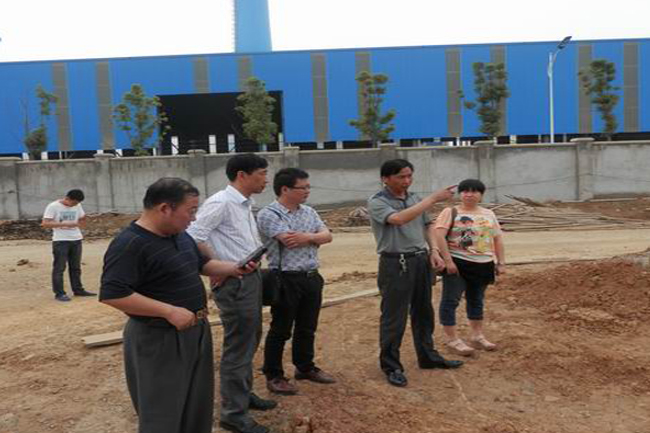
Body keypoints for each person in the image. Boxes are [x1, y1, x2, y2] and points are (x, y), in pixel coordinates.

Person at [99, 177, 254, 433]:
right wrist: (168, 311)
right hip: (159, 337)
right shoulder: (130, 244)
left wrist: (234, 268)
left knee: (196, 405)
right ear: (165, 208)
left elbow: (201, 265)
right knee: (163, 411)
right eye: (190, 211)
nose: (194, 218)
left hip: (196, 330)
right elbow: (113, 294)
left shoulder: (180, 236)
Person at [187, 153, 275, 433]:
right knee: (239, 346)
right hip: (234, 283)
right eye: (262, 173)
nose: (266, 179)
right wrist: (218, 267)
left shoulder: (244, 203)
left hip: (249, 278)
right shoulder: (221, 202)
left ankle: (243, 395)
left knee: (250, 339)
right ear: (242, 175)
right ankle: (233, 414)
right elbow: (193, 236)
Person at [367, 159, 463, 388]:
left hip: (420, 260)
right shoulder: (377, 201)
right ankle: (391, 365)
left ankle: (427, 356)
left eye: (409, 175)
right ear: (385, 178)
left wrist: (434, 251)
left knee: (423, 312)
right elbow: (399, 219)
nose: (407, 181)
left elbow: (427, 225)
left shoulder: (414, 197)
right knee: (394, 317)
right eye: (401, 176)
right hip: (395, 263)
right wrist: (433, 199)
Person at [257, 168, 335, 395]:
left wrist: (308, 237)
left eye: (308, 187)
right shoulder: (269, 214)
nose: (308, 191)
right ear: (285, 189)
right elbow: (289, 241)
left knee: (307, 327)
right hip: (285, 278)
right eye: (303, 188)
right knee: (281, 329)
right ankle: (274, 374)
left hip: (311, 276)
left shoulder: (309, 211)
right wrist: (316, 237)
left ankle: (305, 366)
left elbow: (328, 236)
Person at [435, 178, 506, 356]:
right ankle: (452, 340)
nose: (469, 194)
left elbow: (497, 239)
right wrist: (448, 261)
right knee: (451, 300)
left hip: (484, 264)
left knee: (476, 300)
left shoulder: (489, 214)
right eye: (465, 191)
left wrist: (501, 262)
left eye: (474, 191)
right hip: (458, 263)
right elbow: (439, 236)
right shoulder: (450, 212)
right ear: (460, 194)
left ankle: (477, 336)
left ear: (481, 195)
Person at [41, 189, 95, 301]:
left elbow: (82, 217)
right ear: (68, 198)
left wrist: (81, 222)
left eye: (77, 203)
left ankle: (78, 289)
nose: (75, 205)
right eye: (74, 203)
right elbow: (45, 223)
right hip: (61, 240)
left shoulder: (78, 205)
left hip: (76, 239)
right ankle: (59, 293)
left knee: (75, 267)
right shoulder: (53, 206)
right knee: (59, 268)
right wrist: (64, 224)